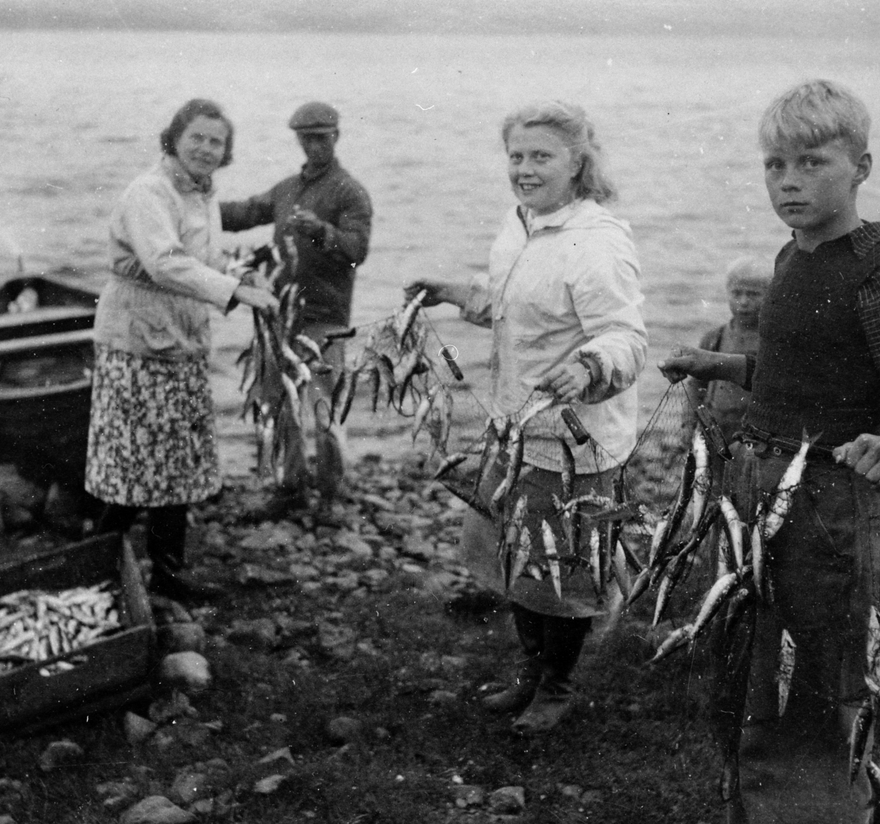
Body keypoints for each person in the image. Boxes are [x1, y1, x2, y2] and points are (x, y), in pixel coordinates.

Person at [660, 80, 880, 823]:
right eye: (775, 165)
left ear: (861, 167)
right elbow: (804, 375)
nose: (789, 182)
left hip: (833, 507)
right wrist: (724, 368)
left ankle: (828, 808)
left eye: (810, 163)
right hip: (756, 492)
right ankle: (760, 806)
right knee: (752, 662)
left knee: (828, 680)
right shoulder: (792, 256)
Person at [406, 101, 648, 734]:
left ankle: (559, 685)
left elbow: (626, 337)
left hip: (576, 441)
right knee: (517, 561)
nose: (524, 168)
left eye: (541, 156)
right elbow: (516, 312)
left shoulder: (596, 243)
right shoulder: (520, 226)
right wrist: (456, 294)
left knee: (562, 572)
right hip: (515, 430)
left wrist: (591, 366)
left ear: (578, 163)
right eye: (516, 155)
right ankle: (532, 672)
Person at [85, 99, 279, 602]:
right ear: (174, 138)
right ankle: (94, 572)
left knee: (176, 461)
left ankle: (169, 577)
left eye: (217, 142)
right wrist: (234, 293)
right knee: (130, 463)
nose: (207, 149)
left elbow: (207, 259)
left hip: (183, 340)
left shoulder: (202, 196)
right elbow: (165, 263)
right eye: (197, 137)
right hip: (137, 342)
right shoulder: (149, 192)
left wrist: (241, 275)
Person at [220, 101, 373, 517]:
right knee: (281, 405)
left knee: (326, 411)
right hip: (281, 318)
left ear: (336, 137)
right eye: (306, 139)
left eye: (320, 138)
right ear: (298, 141)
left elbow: (357, 250)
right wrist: (198, 203)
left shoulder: (350, 191)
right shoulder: (288, 188)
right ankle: (289, 489)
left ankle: (330, 495)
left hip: (326, 320)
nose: (313, 146)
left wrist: (322, 232)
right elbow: (247, 211)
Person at [687, 257, 771, 445]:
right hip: (716, 431)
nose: (743, 301)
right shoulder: (715, 338)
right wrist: (690, 425)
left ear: (770, 295)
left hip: (756, 437)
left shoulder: (771, 341)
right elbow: (697, 385)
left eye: (753, 294)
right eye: (736, 293)